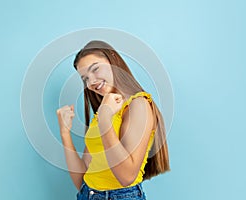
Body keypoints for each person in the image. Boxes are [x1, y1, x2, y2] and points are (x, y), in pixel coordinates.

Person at [56, 40, 170, 200]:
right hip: (87, 195)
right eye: (85, 78)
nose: (92, 82)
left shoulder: (139, 104)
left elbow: (127, 176)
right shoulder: (104, 111)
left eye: (95, 69)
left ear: (113, 59)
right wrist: (65, 133)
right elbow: (82, 179)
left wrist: (104, 120)